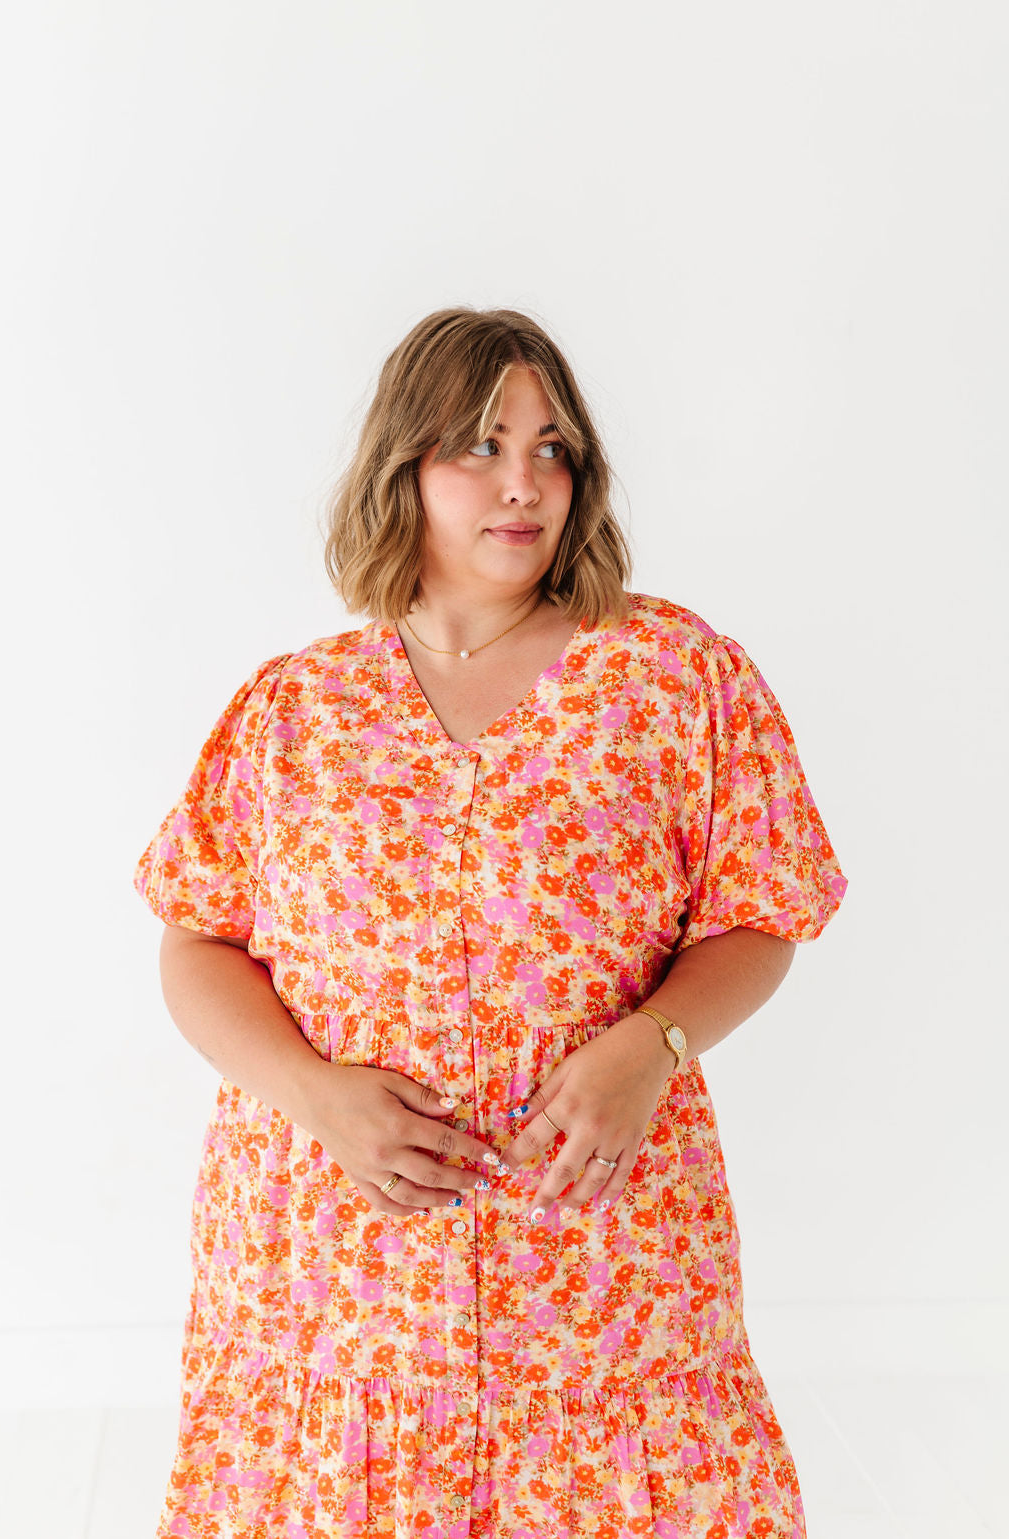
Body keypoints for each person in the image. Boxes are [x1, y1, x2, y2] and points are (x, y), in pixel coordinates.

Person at [135, 306, 846, 1539]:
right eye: (479, 446)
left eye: (551, 448)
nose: (524, 484)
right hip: (339, 1264)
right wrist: (311, 1093)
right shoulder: (294, 709)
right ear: (401, 467)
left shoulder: (675, 676)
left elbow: (762, 911)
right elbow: (196, 939)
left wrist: (653, 1046)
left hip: (598, 1259)